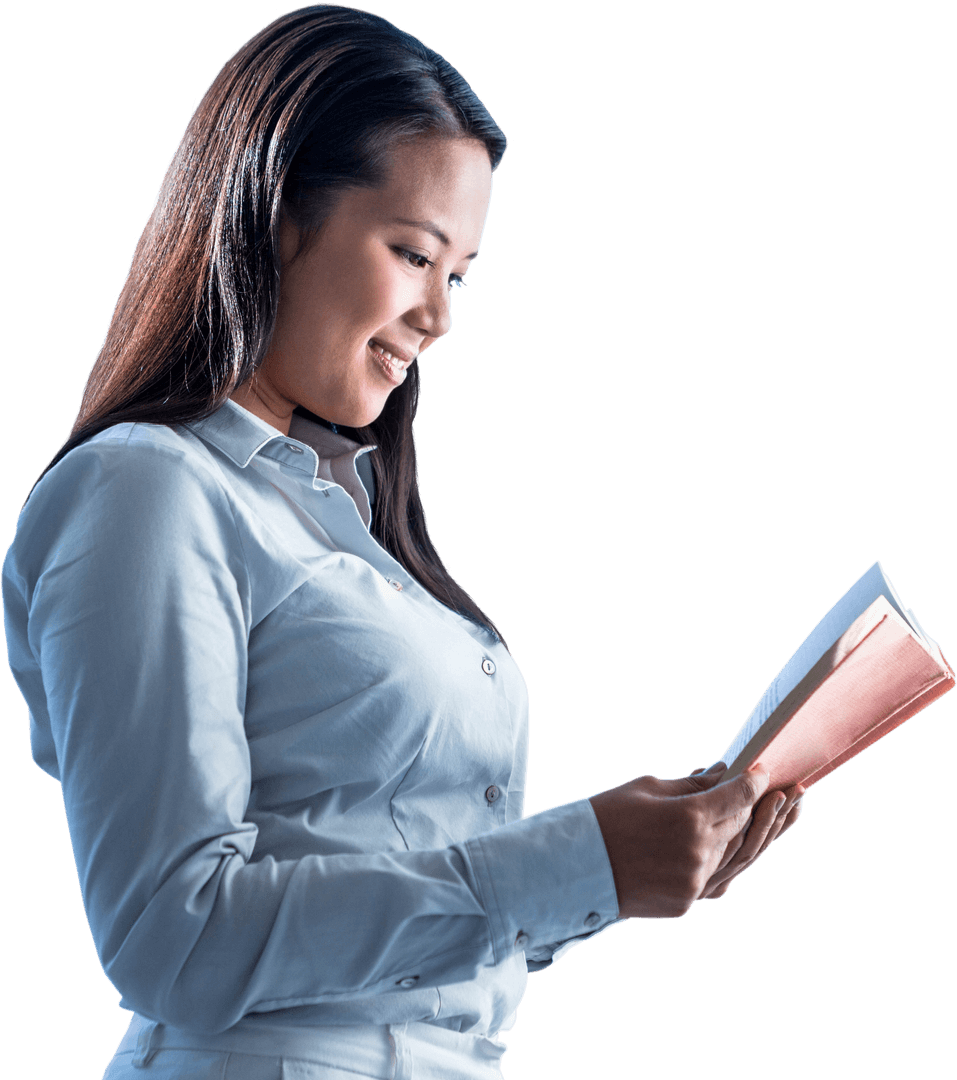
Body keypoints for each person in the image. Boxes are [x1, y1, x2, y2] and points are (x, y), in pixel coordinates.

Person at [1, 5, 804, 1078]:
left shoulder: (341, 516)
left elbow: (407, 908)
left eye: (459, 275)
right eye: (413, 253)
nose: (439, 317)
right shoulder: (144, 492)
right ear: (280, 217)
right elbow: (172, 935)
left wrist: (624, 870)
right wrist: (577, 861)